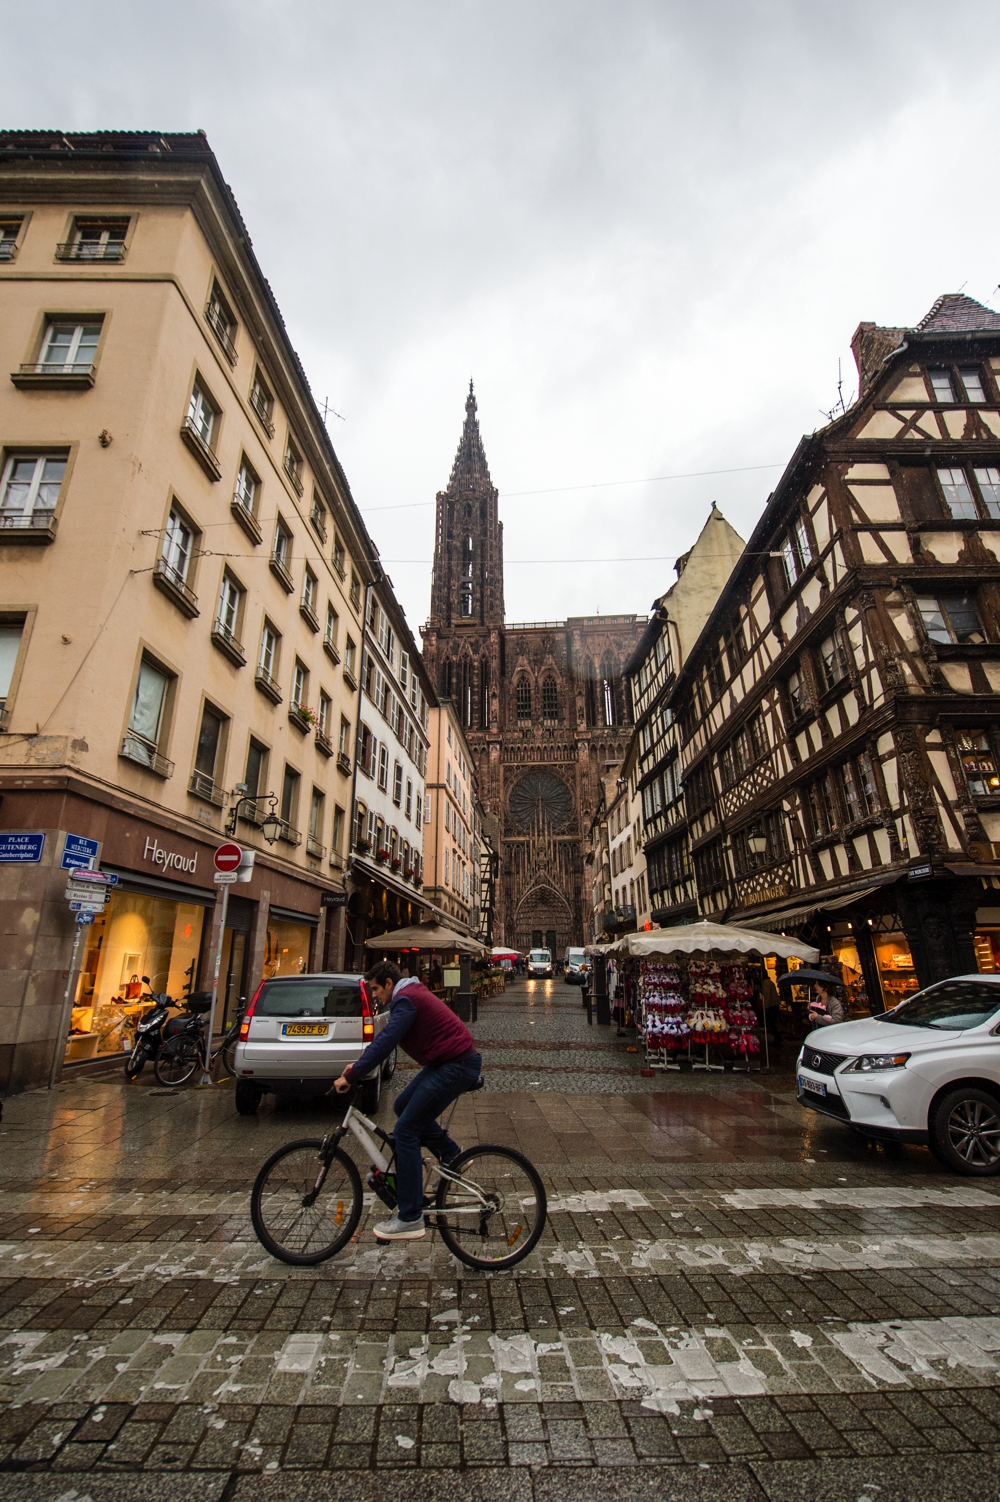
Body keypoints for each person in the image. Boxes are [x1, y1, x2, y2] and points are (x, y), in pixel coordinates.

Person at [333, 960, 481, 1241]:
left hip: (456, 1064)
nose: (374, 995)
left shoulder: (406, 999)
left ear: (389, 983)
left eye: (376, 989)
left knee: (405, 1131)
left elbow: (387, 1040)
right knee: (401, 1107)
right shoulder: (409, 994)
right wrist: (358, 1066)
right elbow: (385, 1039)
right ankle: (452, 1154)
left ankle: (410, 1216)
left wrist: (353, 1074)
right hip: (448, 1061)